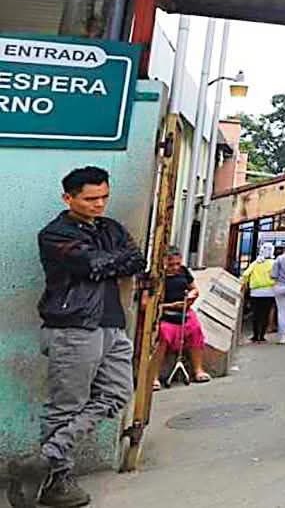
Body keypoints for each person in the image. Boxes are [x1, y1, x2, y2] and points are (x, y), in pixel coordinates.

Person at [7, 167, 146, 508]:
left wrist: (110, 261)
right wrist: (111, 261)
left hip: (112, 323)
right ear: (68, 198)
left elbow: (137, 261)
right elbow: (92, 266)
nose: (99, 204)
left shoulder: (110, 228)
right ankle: (57, 483)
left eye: (104, 197)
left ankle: (44, 458)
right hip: (73, 326)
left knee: (117, 393)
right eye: (90, 199)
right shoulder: (54, 234)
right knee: (65, 407)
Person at [152, 249, 211, 388]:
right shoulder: (159, 277)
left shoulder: (183, 271)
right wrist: (171, 305)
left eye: (178, 264)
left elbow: (194, 288)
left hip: (185, 311)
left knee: (195, 330)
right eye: (171, 265)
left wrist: (192, 295)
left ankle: (198, 369)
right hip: (166, 313)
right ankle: (154, 376)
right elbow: (152, 304)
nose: (175, 268)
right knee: (163, 336)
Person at [241, 243, 276, 343]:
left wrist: (245, 285)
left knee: (256, 314)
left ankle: (255, 336)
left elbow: (245, 274)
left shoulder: (255, 263)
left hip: (255, 292)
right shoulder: (273, 263)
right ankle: (262, 336)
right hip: (269, 292)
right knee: (265, 314)